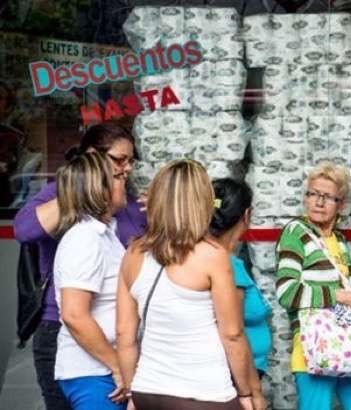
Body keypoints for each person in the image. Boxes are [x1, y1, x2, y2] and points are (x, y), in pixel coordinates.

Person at [13, 123, 145, 410]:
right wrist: (83, 189)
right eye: (119, 160)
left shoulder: (128, 204)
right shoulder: (60, 199)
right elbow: (24, 230)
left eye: (131, 161)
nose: (127, 169)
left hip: (116, 336)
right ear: (91, 157)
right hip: (60, 325)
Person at [115, 160, 262, 410]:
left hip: (147, 391)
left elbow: (124, 336)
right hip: (204, 393)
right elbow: (233, 335)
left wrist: (132, 393)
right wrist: (247, 394)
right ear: (201, 201)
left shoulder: (133, 252)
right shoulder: (212, 255)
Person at [275, 161, 351, 410]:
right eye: (313, 194)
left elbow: (342, 296)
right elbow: (287, 292)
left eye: (327, 197)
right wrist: (341, 296)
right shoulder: (296, 232)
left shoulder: (339, 240)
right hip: (313, 347)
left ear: (341, 205)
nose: (318, 202)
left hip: (347, 346)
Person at [52, 152, 129, 409]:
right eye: (117, 177)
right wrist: (118, 366)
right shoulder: (84, 239)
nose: (125, 179)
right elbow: (75, 315)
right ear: (100, 189)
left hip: (104, 371)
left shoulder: (104, 234)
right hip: (94, 373)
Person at [208, 179, 272, 385]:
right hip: (236, 377)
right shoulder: (227, 266)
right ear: (246, 216)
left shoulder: (220, 260)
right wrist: (250, 392)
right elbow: (232, 334)